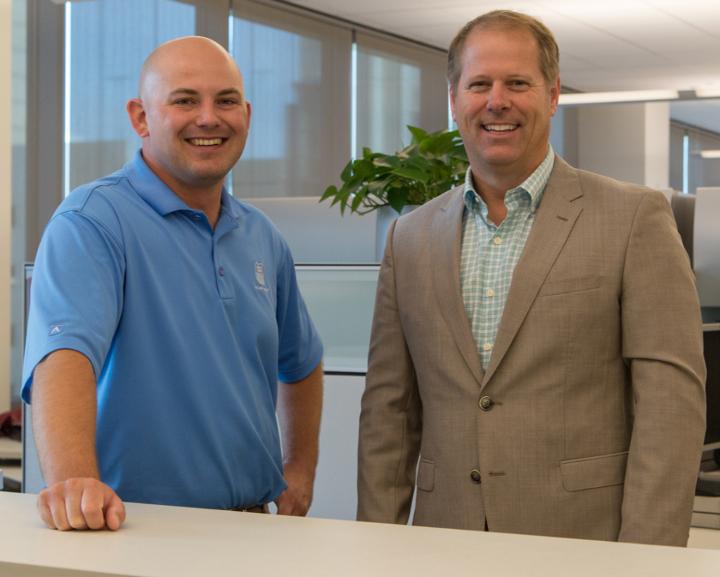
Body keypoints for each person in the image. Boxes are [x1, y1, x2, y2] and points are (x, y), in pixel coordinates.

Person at [357, 10, 706, 546]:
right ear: (454, 100)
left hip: (584, 542)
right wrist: (376, 543)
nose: (497, 101)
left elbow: (669, 410)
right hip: (443, 541)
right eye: (479, 84)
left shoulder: (634, 218)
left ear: (552, 94)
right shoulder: (410, 237)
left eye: (518, 82)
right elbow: (390, 411)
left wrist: (647, 558)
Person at [22, 36, 324, 531]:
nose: (209, 117)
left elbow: (303, 361)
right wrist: (75, 482)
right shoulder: (93, 221)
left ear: (246, 115)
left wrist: (301, 469)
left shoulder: (261, 236)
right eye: (184, 100)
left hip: (254, 527)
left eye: (226, 101)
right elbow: (64, 357)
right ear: (141, 117)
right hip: (135, 529)